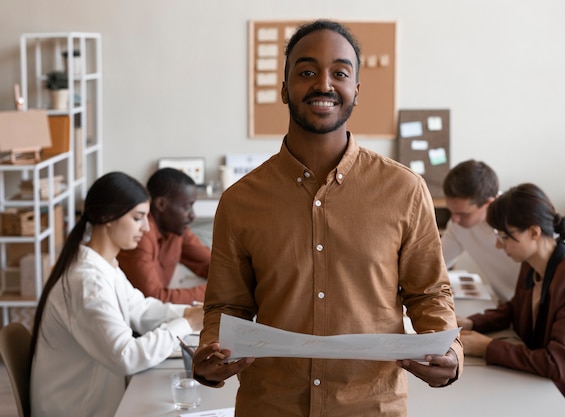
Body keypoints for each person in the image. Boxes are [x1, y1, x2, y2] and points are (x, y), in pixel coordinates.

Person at [192, 19, 462, 417]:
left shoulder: (404, 190)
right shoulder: (240, 200)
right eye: (306, 72)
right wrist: (211, 356)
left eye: (339, 73)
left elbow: (428, 293)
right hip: (270, 406)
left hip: (372, 406)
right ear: (284, 89)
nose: (323, 84)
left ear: (356, 90)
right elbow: (226, 307)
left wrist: (449, 353)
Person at [30, 172, 204, 417]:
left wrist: (192, 313)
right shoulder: (87, 280)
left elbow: (141, 309)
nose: (145, 227)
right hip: (76, 409)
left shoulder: (105, 265)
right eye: (138, 218)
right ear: (107, 217)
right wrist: (187, 323)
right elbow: (127, 356)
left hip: (96, 400)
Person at [458, 183, 565, 412]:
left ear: (534, 232)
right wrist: (471, 322)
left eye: (505, 236)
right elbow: (515, 308)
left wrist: (487, 347)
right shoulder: (532, 263)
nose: (498, 244)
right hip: (545, 385)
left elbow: (558, 364)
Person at [117, 167, 211, 304]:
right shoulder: (140, 235)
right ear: (161, 204)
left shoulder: (176, 229)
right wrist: (214, 292)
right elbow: (154, 298)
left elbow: (211, 265)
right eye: (187, 206)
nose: (193, 215)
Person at [441, 159, 518, 302]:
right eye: (451, 211)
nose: (454, 219)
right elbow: (435, 263)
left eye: (463, 214)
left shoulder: (519, 218)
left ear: (489, 203)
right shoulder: (457, 224)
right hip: (505, 307)